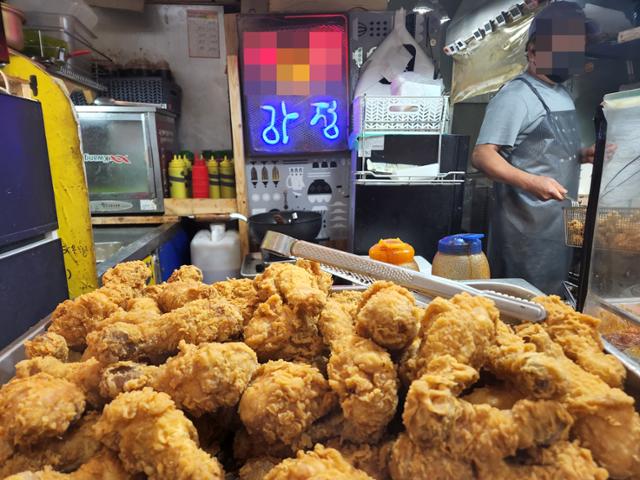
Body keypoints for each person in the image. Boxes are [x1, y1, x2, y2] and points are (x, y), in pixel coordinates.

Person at [472, 1, 594, 295]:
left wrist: (582, 155)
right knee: (523, 306)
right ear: (533, 51)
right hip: (524, 233)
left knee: (554, 304)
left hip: (559, 227)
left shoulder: (561, 93)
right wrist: (531, 182)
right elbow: (483, 154)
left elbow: (545, 149)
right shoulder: (516, 96)